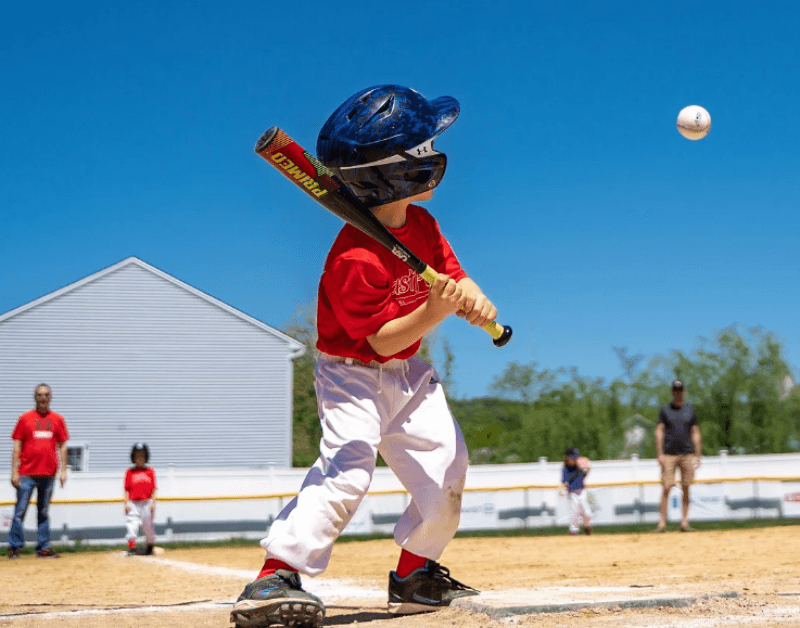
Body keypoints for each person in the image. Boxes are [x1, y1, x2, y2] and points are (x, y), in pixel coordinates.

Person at [231, 85, 494, 628]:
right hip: (351, 375)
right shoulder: (353, 255)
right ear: (396, 172)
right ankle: (275, 573)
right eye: (421, 148)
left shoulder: (421, 225)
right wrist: (436, 312)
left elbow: (450, 272)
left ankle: (416, 572)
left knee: (447, 466)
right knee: (348, 470)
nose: (433, 152)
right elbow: (380, 340)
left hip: (408, 374)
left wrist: (470, 293)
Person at [7, 384, 69, 559]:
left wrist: (64, 470)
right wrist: (14, 472)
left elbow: (63, 446)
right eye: (40, 395)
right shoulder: (24, 418)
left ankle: (43, 548)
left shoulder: (58, 419)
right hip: (26, 473)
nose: (43, 398)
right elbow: (17, 446)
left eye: (47, 395)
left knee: (43, 512)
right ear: (35, 397)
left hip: (48, 474)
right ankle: (15, 547)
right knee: (20, 511)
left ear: (50, 397)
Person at [654, 380, 702, 533]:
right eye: (675, 390)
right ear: (672, 392)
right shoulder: (665, 410)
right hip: (669, 454)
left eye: (680, 390)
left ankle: (684, 522)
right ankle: (662, 523)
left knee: (686, 487)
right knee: (666, 487)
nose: (678, 393)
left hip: (687, 454)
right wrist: (659, 453)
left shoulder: (690, 410)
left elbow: (695, 432)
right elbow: (659, 431)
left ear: (684, 391)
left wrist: (698, 453)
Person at [124, 443, 157, 556]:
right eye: (137, 455)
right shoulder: (130, 472)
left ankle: (150, 545)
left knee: (147, 525)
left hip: (147, 502)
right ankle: (132, 546)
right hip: (133, 502)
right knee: (132, 523)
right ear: (133, 457)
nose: (140, 458)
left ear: (146, 457)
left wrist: (153, 503)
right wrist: (126, 503)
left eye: (142, 455)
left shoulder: (150, 471)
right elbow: (126, 489)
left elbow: (154, 489)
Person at [560, 447, 592, 535]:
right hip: (572, 493)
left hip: (582, 491)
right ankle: (574, 531)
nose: (573, 460)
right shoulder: (565, 469)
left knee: (587, 513)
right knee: (574, 512)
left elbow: (586, 472)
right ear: (567, 458)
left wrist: (588, 468)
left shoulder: (579, 466)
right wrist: (561, 490)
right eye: (572, 458)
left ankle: (586, 526)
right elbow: (564, 482)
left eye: (575, 458)